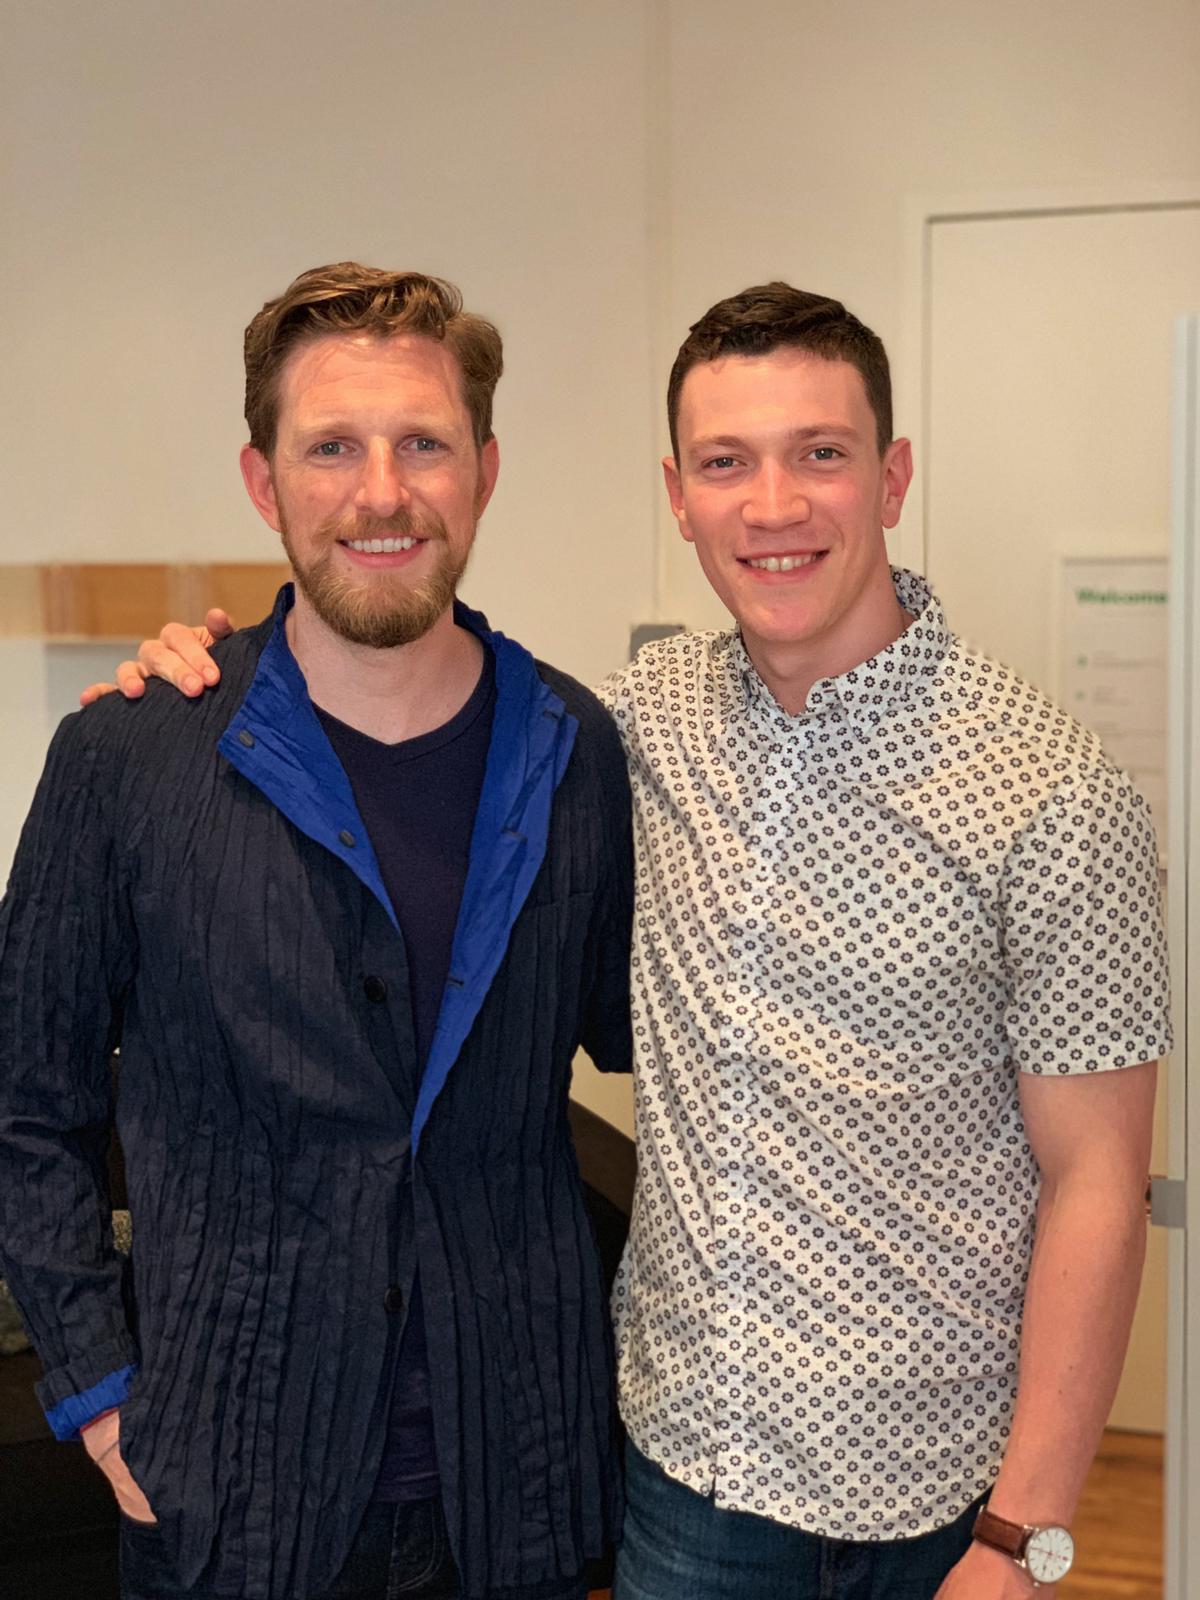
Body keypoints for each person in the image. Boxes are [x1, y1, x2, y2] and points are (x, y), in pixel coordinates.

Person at [92, 282, 1170, 1600]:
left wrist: (1026, 1538)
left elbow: (1099, 1185)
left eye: (820, 454)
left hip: (937, 1496)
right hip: (683, 1483)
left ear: (890, 478)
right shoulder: (631, 728)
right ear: (679, 497)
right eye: (726, 463)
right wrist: (199, 678)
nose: (773, 506)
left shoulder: (1052, 792)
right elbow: (420, 710)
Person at [0, 263, 634, 1600]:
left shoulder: (576, 758)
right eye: (331, 447)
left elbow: (664, 1056)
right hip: (231, 1499)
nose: (381, 492)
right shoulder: (129, 760)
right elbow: (25, 1105)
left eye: (424, 444)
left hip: (513, 1492)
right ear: (263, 482)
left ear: (486, 471)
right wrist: (96, 1388)